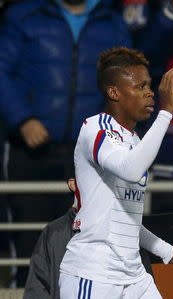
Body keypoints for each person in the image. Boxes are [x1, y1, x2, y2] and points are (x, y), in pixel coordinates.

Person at [0, 0, 131, 286]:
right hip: (29, 149)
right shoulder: (24, 13)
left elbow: (127, 82)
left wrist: (112, 133)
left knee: (87, 244)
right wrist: (23, 119)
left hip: (92, 155)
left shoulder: (112, 19)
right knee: (27, 241)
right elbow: (1, 71)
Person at [59, 47, 173, 298]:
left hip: (134, 276)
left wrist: (167, 251)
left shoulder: (135, 141)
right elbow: (130, 170)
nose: (150, 93)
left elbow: (126, 221)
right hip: (93, 274)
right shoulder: (95, 127)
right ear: (114, 92)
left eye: (149, 85)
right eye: (141, 87)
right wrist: (166, 113)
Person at [24, 178, 173, 299]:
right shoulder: (54, 232)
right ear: (73, 184)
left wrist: (169, 252)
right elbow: (37, 289)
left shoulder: (125, 226)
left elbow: (139, 282)